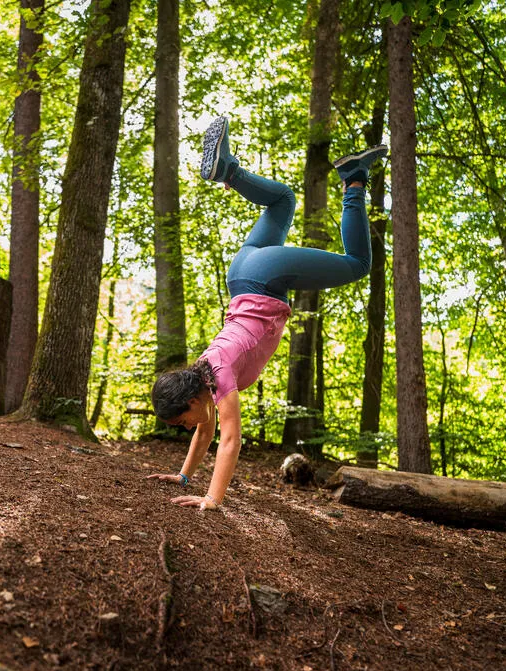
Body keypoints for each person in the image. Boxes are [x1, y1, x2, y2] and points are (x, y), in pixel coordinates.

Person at [146, 115, 386, 510]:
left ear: (191, 400)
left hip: (263, 280)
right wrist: (184, 476)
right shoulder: (205, 373)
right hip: (242, 274)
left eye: (183, 421)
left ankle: (354, 181)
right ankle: (229, 171)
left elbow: (230, 441)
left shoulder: (218, 380)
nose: (188, 427)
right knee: (283, 200)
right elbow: (206, 433)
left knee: (358, 263)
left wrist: (212, 498)